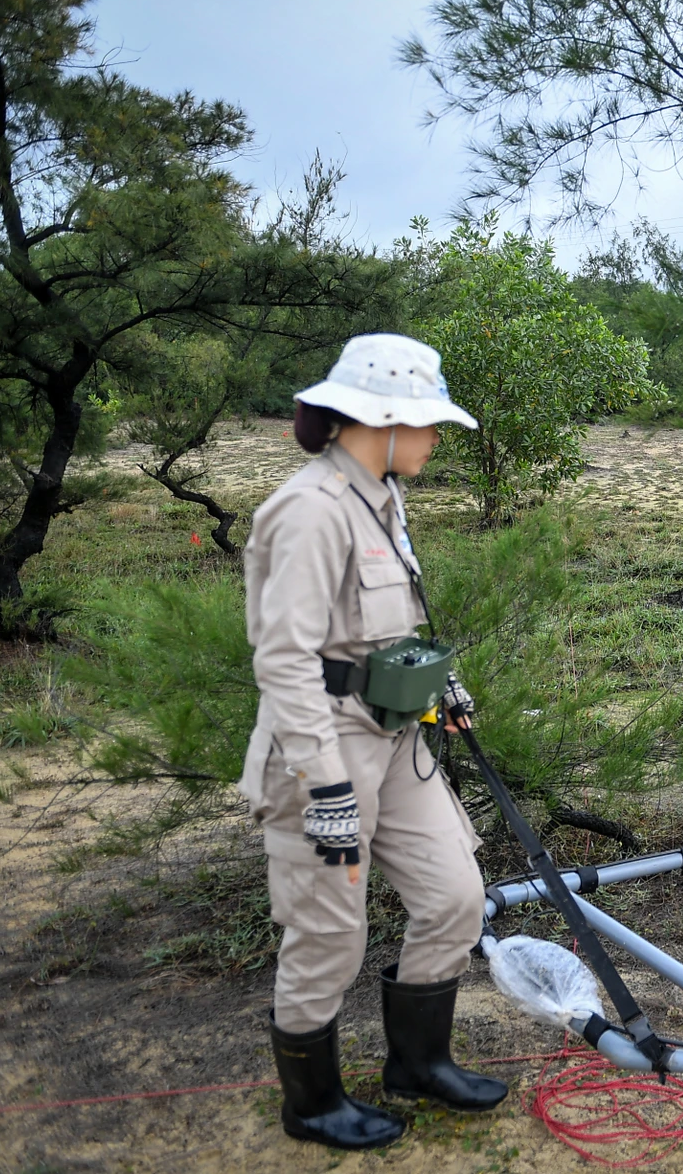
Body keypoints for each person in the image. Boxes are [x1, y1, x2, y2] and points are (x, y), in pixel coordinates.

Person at [238, 333, 507, 1150]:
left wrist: (442, 689)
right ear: (383, 419)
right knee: (329, 931)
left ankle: (417, 1062)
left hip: (396, 740)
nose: (434, 439)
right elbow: (285, 658)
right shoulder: (310, 510)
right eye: (426, 424)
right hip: (323, 750)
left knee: (456, 895)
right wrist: (322, 787)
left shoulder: (383, 495)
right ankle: (312, 1102)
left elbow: (394, 621)